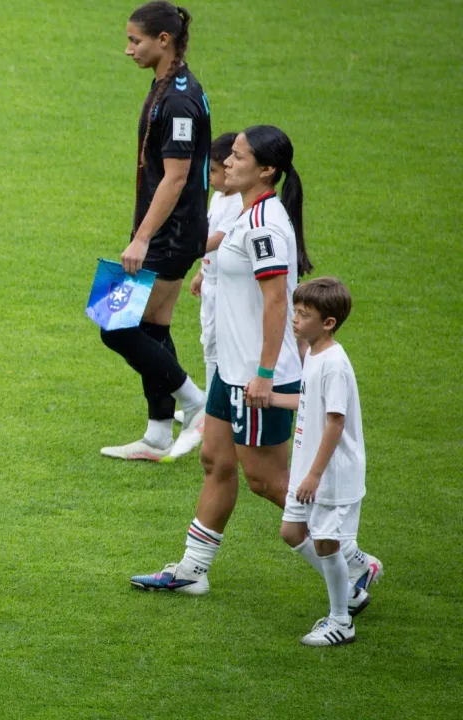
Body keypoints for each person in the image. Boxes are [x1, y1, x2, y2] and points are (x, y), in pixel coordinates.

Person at [129, 125, 380, 597]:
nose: (228, 163)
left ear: (266, 170)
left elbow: (276, 303)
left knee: (266, 481)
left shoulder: (264, 223)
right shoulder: (249, 213)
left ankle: (352, 562)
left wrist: (265, 374)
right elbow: (224, 257)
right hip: (233, 371)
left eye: (239, 156)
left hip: (257, 376)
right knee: (214, 460)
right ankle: (193, 569)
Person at [100, 1, 210, 462]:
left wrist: (143, 237)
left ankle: (196, 401)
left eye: (135, 40)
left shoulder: (180, 99)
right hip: (167, 228)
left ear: (163, 41)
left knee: (115, 324)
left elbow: (177, 176)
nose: (128, 50)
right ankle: (158, 434)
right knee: (151, 327)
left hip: (171, 232)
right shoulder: (168, 85)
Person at [273, 278, 375, 646]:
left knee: (327, 543)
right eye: (295, 312)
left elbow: (335, 421)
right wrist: (271, 399)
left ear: (328, 322)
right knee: (292, 532)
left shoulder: (334, 363)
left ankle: (341, 621)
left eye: (304, 315)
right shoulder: (313, 354)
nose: (295, 320)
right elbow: (308, 404)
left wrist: (314, 475)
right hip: (309, 467)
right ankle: (350, 590)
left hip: (329, 475)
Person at [168, 131, 239, 460]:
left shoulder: (237, 202)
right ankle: (209, 407)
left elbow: (218, 239)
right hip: (211, 282)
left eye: (213, 171)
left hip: (225, 287)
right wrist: (200, 272)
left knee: (217, 346)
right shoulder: (219, 198)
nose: (208, 178)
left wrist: (182, 249)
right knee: (209, 343)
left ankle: (211, 414)